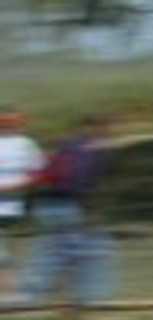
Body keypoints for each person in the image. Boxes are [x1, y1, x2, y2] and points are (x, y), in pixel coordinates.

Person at [19, 113, 114, 305]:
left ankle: (33, 293)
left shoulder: (64, 144)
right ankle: (83, 297)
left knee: (50, 249)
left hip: (45, 203)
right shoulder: (98, 150)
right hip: (69, 205)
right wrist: (89, 212)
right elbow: (90, 183)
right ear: (99, 128)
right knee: (79, 251)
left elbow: (42, 171)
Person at [0, 108, 43, 299]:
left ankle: (14, 289)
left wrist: (17, 187)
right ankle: (10, 289)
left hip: (17, 205)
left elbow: (39, 173)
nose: (8, 126)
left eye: (13, 122)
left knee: (12, 247)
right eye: (4, 122)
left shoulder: (27, 145)